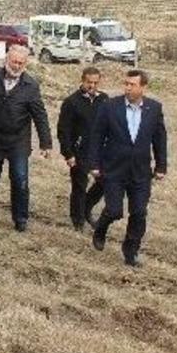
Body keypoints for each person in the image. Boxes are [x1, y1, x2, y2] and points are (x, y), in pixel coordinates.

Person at [87, 69, 168, 267]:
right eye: (126, 84)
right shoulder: (110, 107)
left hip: (140, 172)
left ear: (143, 87)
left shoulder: (154, 109)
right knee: (114, 210)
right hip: (114, 168)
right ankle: (100, 229)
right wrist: (94, 164)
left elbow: (160, 139)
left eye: (132, 85)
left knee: (139, 213)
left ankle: (130, 252)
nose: (128, 88)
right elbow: (96, 136)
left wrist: (161, 166)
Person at [0, 45, 53, 232]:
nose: (16, 66)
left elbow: (40, 115)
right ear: (6, 59)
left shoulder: (31, 85)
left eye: (21, 63)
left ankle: (20, 218)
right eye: (14, 61)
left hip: (18, 141)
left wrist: (46, 143)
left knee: (20, 179)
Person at [57, 66, 109, 230]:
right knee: (79, 185)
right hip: (79, 150)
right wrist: (68, 153)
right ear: (82, 80)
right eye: (89, 82)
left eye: (95, 82)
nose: (92, 86)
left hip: (100, 151)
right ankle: (78, 219)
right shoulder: (72, 102)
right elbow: (63, 130)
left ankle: (86, 207)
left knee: (104, 181)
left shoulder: (105, 100)